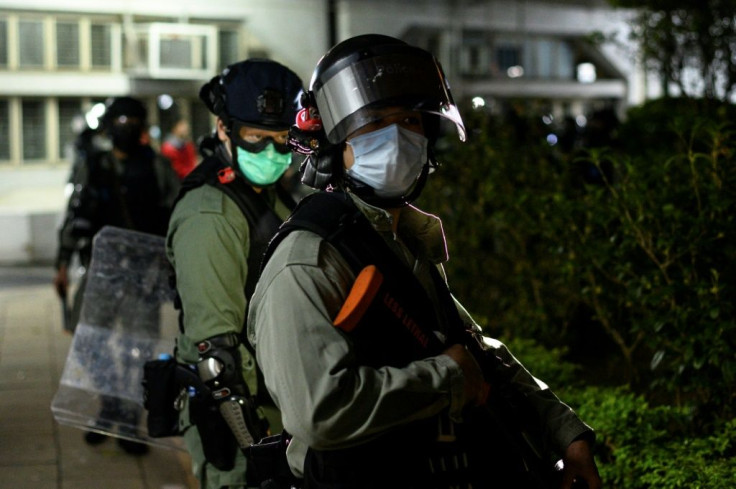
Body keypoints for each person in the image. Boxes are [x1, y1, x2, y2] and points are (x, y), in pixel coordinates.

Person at [247, 34, 602, 489]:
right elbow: (320, 412)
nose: (396, 138)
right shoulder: (308, 262)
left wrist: (565, 433)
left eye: (410, 120)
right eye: (372, 122)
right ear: (331, 145)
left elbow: (472, 348)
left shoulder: (400, 239)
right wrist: (446, 378)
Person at [165, 58, 304, 488]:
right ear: (224, 128)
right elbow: (217, 361)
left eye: (284, 140)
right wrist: (260, 450)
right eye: (257, 138)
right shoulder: (210, 214)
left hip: (283, 404)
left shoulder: (270, 192)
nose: (273, 153)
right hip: (244, 424)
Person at [53, 95, 180, 454]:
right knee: (89, 340)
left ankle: (128, 419)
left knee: (138, 350)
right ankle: (109, 405)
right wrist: (61, 263)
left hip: (144, 276)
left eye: (132, 122)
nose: (126, 129)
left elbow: (177, 214)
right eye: (120, 122)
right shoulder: (93, 165)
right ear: (109, 127)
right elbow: (74, 211)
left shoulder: (156, 166)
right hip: (101, 273)